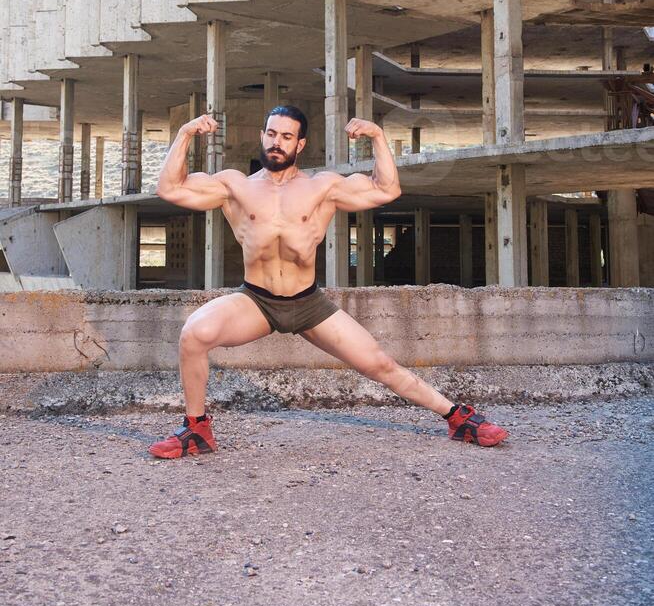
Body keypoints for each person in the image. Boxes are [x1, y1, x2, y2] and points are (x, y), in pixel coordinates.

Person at [149, 106, 508, 458]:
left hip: (308, 304)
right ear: (262, 136)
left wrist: (378, 137)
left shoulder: (323, 187)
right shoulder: (234, 185)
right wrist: (184, 134)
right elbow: (170, 188)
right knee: (194, 334)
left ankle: (458, 417)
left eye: (286, 136)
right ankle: (197, 429)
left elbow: (386, 189)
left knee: (379, 364)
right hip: (256, 301)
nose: (277, 142)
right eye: (271, 134)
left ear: (300, 145)